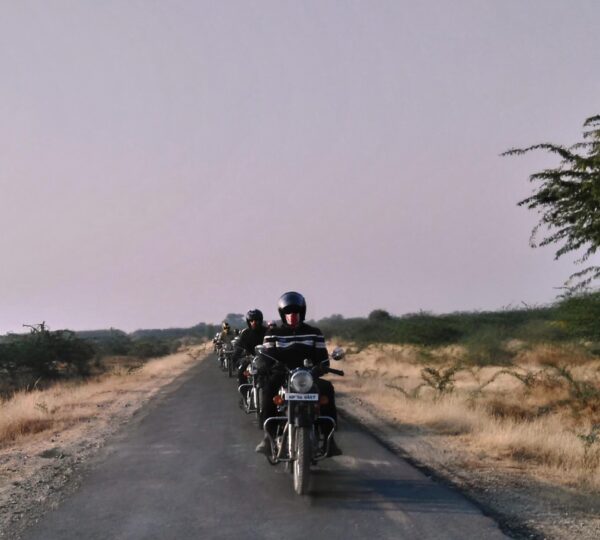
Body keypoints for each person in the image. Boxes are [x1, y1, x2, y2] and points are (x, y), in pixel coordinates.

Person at [255, 291, 342, 457]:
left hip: (308, 377)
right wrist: (266, 365)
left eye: (295, 312)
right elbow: (266, 357)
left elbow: (323, 359)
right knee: (269, 389)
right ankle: (268, 437)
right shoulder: (272, 334)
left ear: (302, 313)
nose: (292, 315)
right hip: (283, 375)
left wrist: (320, 367)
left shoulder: (314, 332)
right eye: (288, 312)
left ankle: (329, 439)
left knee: (327, 389)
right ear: (283, 314)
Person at [233, 309, 267, 386]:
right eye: (251, 321)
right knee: (241, 372)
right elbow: (239, 347)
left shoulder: (267, 332)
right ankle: (245, 393)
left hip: (265, 360)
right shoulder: (245, 333)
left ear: (260, 321)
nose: (254, 323)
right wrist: (236, 358)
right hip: (250, 360)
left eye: (256, 320)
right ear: (248, 322)